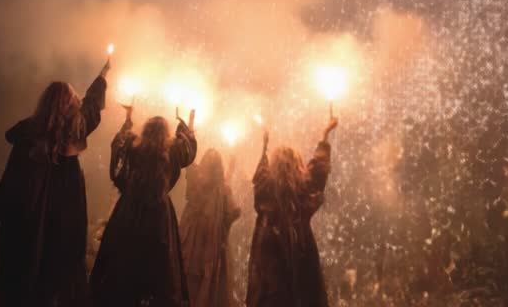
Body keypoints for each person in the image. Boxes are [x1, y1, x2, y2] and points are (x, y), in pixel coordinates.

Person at [0, 57, 110, 306]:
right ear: (69, 105)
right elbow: (91, 106)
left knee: (22, 267)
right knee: (49, 270)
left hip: (25, 215)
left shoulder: (28, 133)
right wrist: (102, 76)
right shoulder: (74, 132)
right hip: (59, 222)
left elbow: (10, 179)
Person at [90, 107, 198, 307]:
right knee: (160, 270)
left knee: (121, 264)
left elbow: (117, 170)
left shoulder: (133, 147)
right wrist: (187, 126)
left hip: (129, 211)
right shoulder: (172, 151)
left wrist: (128, 121)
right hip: (160, 215)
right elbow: (187, 151)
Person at [246, 111, 339, 307]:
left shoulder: (265, 194)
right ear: (297, 166)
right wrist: (324, 136)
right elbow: (318, 171)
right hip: (300, 265)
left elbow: (260, 176)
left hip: (269, 272)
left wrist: (264, 145)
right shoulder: (301, 197)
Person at [180, 149, 242, 307]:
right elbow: (232, 212)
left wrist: (192, 126)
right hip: (210, 248)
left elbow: (189, 160)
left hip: (190, 246)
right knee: (205, 286)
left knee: (188, 282)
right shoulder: (222, 191)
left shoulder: (196, 183)